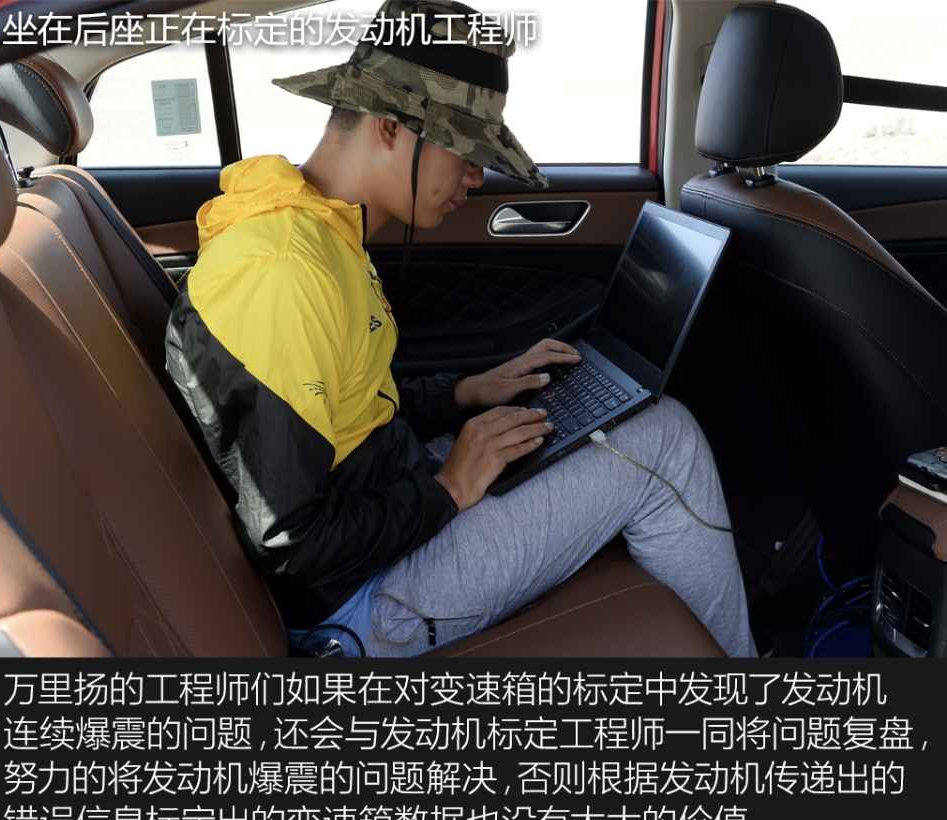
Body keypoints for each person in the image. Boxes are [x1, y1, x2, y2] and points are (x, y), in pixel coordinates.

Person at [165, 0, 757, 657]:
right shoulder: (283, 271)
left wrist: (463, 392)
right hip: (366, 603)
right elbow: (295, 542)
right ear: (390, 126)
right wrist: (449, 488)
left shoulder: (319, 231)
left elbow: (349, 415)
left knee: (588, 418)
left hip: (392, 513)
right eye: (466, 150)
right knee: (666, 438)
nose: (475, 178)